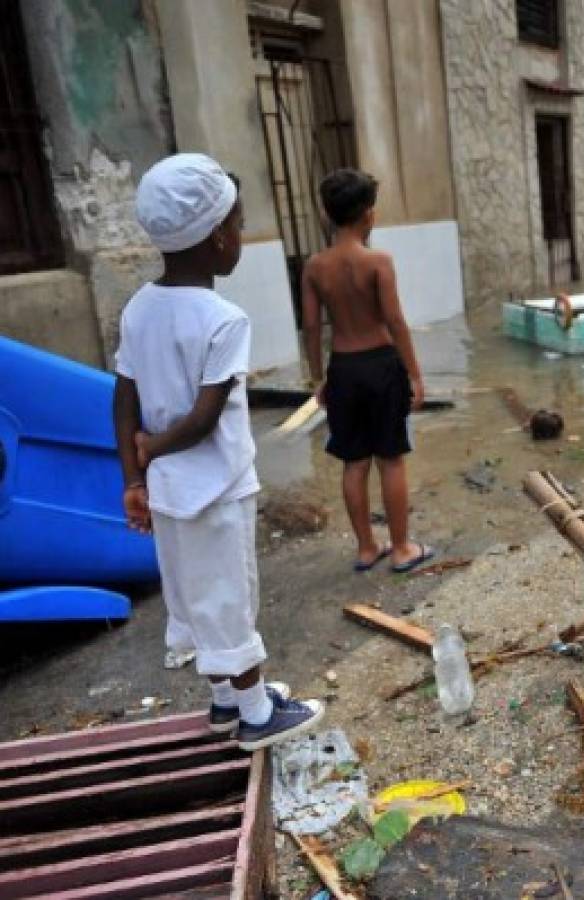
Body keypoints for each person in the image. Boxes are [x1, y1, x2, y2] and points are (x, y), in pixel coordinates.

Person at [113, 153, 324, 751]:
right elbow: (206, 418)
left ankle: (223, 702)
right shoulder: (223, 318)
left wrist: (135, 473)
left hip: (167, 489)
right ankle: (256, 714)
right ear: (215, 239)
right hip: (219, 486)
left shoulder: (138, 308)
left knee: (190, 590)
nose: (239, 237)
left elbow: (122, 396)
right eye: (237, 225)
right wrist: (155, 445)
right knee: (230, 593)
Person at [302, 169, 433, 575]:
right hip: (380, 365)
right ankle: (401, 548)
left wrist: (317, 377)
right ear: (367, 215)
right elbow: (394, 321)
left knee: (354, 462)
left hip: (343, 368)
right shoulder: (378, 261)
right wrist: (414, 375)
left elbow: (311, 326)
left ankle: (365, 548)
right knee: (390, 459)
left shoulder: (314, 267)